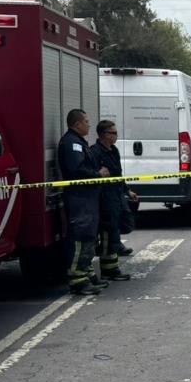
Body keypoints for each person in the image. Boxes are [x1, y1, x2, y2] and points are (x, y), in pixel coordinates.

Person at [58, 109, 109, 295]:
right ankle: (78, 280)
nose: (89, 124)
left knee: (88, 235)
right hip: (79, 197)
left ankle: (86, 274)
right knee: (80, 236)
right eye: (86, 121)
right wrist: (98, 174)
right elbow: (77, 169)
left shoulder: (79, 142)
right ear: (77, 124)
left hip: (87, 197)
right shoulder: (72, 143)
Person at [90, 120, 136, 281]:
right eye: (113, 133)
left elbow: (118, 174)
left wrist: (127, 190)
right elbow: (91, 176)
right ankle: (108, 270)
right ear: (104, 134)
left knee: (116, 231)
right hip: (105, 199)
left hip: (116, 196)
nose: (116, 136)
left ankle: (113, 267)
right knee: (108, 233)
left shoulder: (113, 150)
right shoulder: (95, 152)